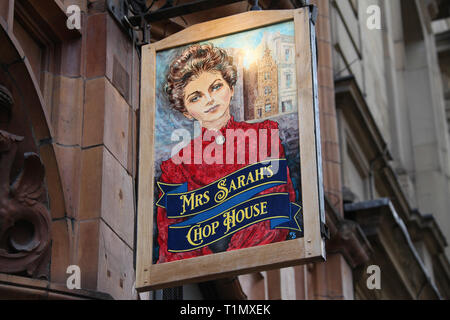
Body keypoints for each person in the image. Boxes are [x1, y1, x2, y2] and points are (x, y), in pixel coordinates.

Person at [156, 43, 296, 263]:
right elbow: (172, 237)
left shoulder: (264, 138)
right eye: (195, 97)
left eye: (215, 87)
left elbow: (277, 208)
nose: (209, 100)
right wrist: (210, 267)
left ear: (230, 88)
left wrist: (231, 261)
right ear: (186, 110)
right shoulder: (177, 167)